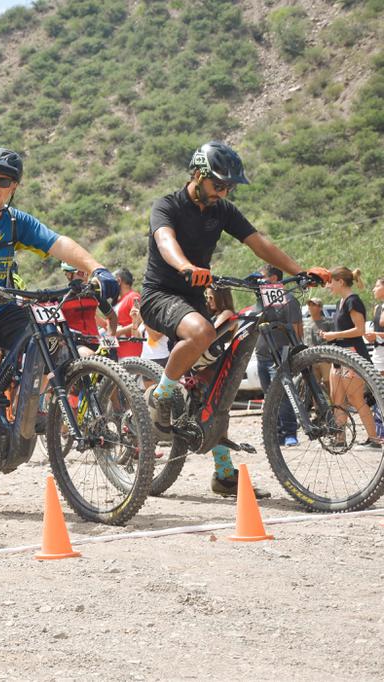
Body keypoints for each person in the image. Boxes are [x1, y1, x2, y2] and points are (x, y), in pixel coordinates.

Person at [0, 147, 119, 520]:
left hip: (0, 307)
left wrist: (98, 268)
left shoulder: (17, 223)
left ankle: (35, 399)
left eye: (4, 181)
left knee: (46, 333)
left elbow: (58, 242)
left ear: (15, 185)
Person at [139, 140, 327, 497]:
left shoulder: (222, 210)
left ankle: (225, 474)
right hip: (161, 295)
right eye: (219, 184)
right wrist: (185, 267)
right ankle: (161, 394)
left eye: (228, 187)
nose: (224, 192)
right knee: (201, 332)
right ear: (197, 175)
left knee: (217, 385)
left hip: (195, 297)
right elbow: (165, 241)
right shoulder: (167, 205)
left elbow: (259, 244)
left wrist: (300, 271)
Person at [318, 267, 381, 448]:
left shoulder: (353, 301)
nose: (328, 285)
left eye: (331, 281)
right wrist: (332, 336)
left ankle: (374, 439)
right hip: (339, 355)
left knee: (355, 398)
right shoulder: (341, 302)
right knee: (336, 398)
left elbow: (360, 330)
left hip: (353, 354)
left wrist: (333, 335)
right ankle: (340, 439)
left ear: (341, 282)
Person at [253, 264, 303, 447]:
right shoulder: (262, 300)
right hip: (262, 355)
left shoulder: (288, 299)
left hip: (280, 355)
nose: (259, 280)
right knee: (270, 397)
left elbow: (297, 328)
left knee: (283, 395)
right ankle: (277, 434)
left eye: (262, 276)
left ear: (273, 278)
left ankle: (290, 432)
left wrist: (296, 353)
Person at [113, 267, 143, 359]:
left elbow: (141, 321)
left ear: (118, 280)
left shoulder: (134, 297)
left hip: (133, 352)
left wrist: (119, 331)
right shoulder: (117, 302)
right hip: (120, 352)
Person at [366, 278, 384, 376]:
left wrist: (376, 335)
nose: (373, 289)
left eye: (377, 286)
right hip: (379, 351)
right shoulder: (377, 308)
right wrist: (370, 336)